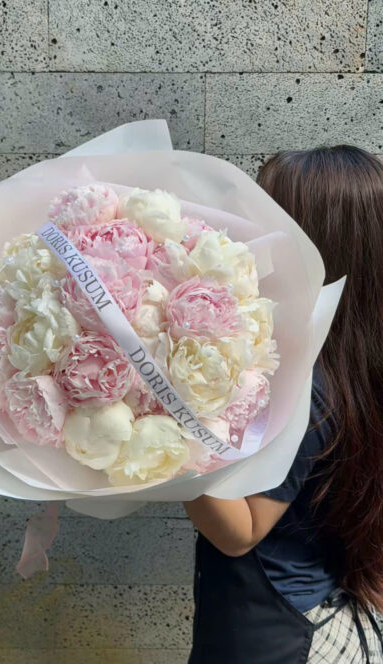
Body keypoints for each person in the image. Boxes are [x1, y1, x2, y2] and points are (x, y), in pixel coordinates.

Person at [184, 146, 383, 663]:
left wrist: (166, 416)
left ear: (313, 243)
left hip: (277, 633)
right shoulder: (354, 360)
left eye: (265, 213)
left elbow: (240, 532)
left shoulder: (313, 383)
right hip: (311, 610)